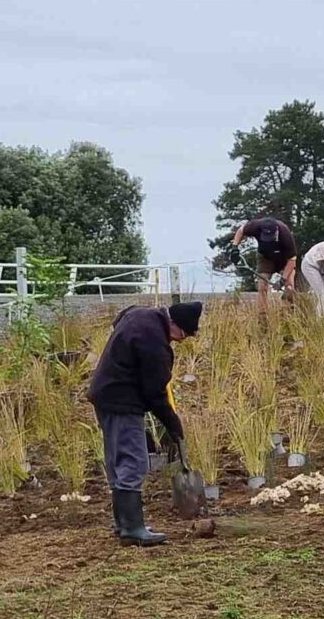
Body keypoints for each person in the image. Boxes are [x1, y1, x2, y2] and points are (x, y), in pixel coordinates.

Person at [86, 299, 203, 548]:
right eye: (184, 335)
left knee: (117, 460)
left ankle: (123, 524)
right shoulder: (154, 343)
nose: (181, 341)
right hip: (122, 401)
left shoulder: (141, 315)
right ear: (176, 326)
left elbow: (119, 318)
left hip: (105, 394)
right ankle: (133, 528)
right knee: (134, 462)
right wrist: (172, 424)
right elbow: (155, 393)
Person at [227, 217, 298, 306]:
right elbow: (241, 231)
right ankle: (262, 317)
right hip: (265, 258)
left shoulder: (285, 233)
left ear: (276, 231)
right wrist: (235, 247)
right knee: (262, 287)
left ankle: (288, 311)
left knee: (289, 286)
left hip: (284, 259)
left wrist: (282, 281)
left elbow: (292, 261)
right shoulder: (255, 226)